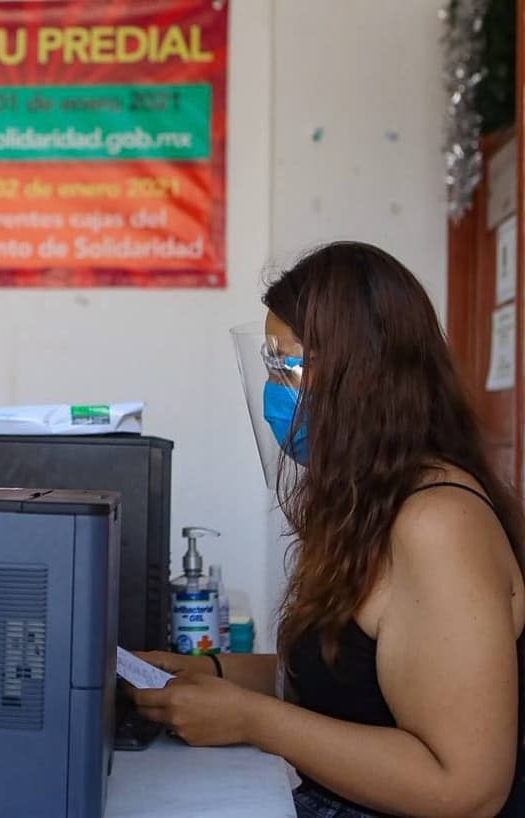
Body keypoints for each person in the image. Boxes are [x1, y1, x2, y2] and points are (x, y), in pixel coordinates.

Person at [131, 242, 525, 818]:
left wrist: (253, 720)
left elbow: (465, 789)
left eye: (287, 366)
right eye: (268, 368)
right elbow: (350, 678)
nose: (275, 393)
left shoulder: (439, 524)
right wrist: (210, 672)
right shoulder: (372, 506)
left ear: (365, 377)